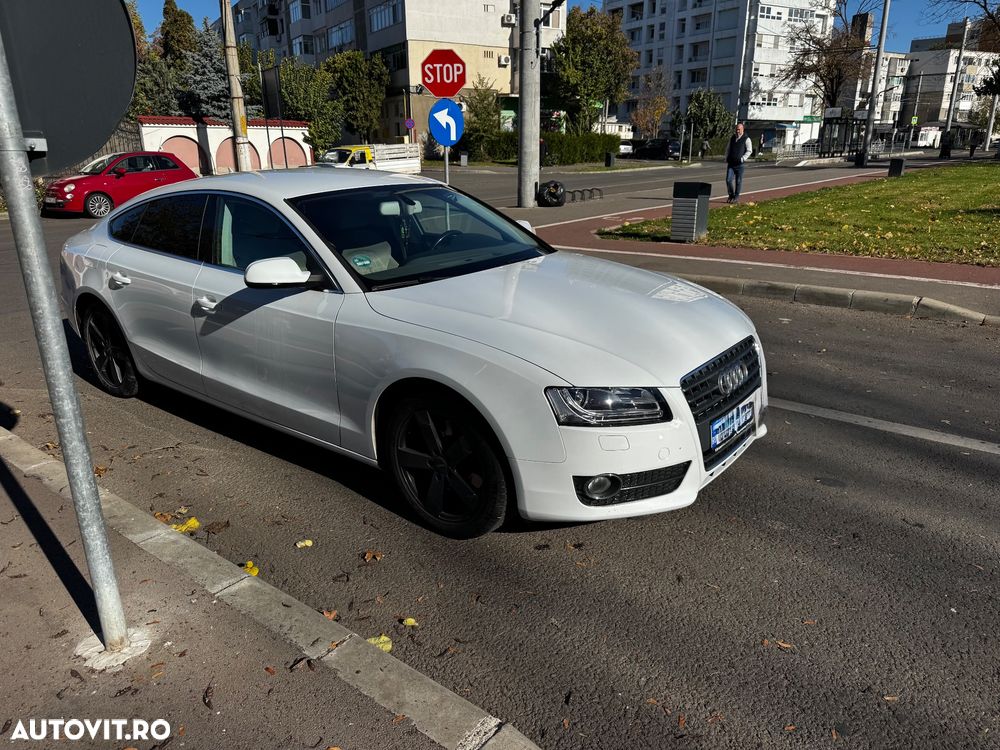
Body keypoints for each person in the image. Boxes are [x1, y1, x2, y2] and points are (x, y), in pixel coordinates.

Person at [725, 123, 753, 204]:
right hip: (731, 163)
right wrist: (726, 157)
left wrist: (742, 159)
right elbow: (728, 148)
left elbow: (749, 150)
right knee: (728, 180)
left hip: (739, 165)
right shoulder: (733, 138)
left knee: (738, 181)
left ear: (742, 130)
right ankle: (731, 195)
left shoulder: (746, 139)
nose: (737, 131)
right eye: (736, 129)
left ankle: (736, 197)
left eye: (739, 129)